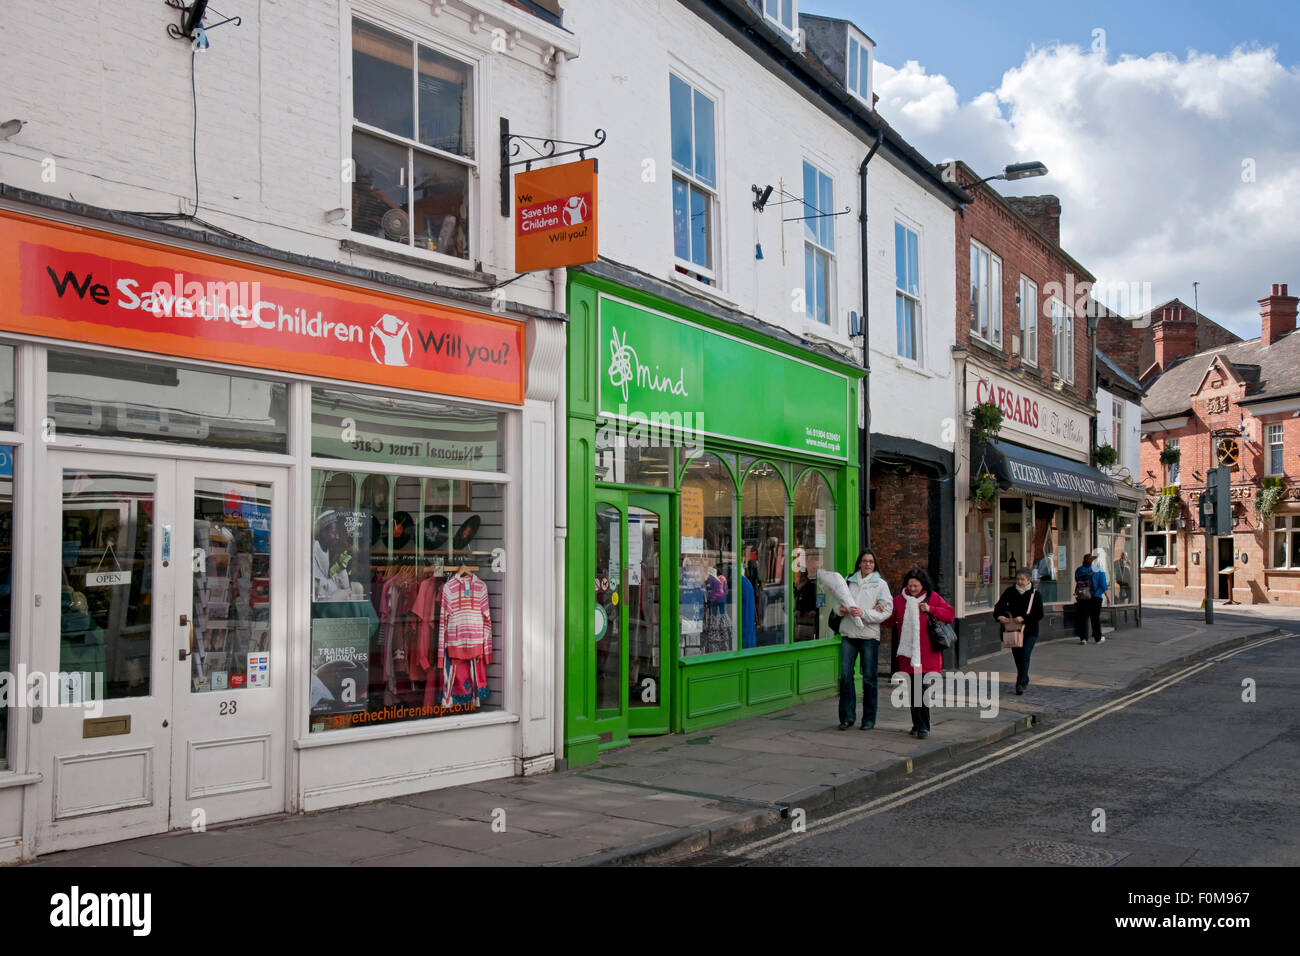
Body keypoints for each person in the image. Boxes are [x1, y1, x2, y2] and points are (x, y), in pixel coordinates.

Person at [890, 567, 955, 739]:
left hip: (927, 655)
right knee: (912, 691)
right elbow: (890, 621)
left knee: (922, 690)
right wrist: (881, 609)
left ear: (923, 585)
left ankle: (923, 726)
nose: (912, 589)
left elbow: (950, 615)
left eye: (916, 586)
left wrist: (931, 609)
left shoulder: (932, 598)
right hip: (908, 655)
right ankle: (917, 724)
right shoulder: (898, 601)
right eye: (910, 586)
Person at [836, 550, 893, 730]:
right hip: (848, 633)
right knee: (845, 676)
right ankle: (847, 717)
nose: (868, 564)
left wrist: (865, 613)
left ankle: (868, 719)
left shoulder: (880, 585)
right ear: (859, 563)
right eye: (865, 561)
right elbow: (836, 603)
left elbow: (886, 610)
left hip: (868, 635)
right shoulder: (848, 580)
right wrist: (841, 610)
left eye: (871, 562)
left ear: (874, 565)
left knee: (869, 678)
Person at [994, 568, 1044, 694]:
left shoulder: (1035, 594)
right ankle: (1024, 678)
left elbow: (1039, 614)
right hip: (1013, 630)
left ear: (1029, 580)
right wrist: (999, 616)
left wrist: (1024, 618)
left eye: (1023, 579)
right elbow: (998, 607)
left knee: (1024, 655)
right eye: (1018, 579)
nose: (1020, 582)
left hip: (1030, 631)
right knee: (1017, 657)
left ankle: (1020, 683)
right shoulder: (1010, 591)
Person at [1073, 553, 1106, 644]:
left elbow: (1077, 580)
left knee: (1083, 618)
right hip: (1095, 597)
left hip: (1081, 596)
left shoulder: (1079, 570)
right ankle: (1098, 638)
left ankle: (1083, 638)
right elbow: (1103, 585)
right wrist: (1108, 597)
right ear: (1092, 561)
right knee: (1095, 618)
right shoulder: (1098, 570)